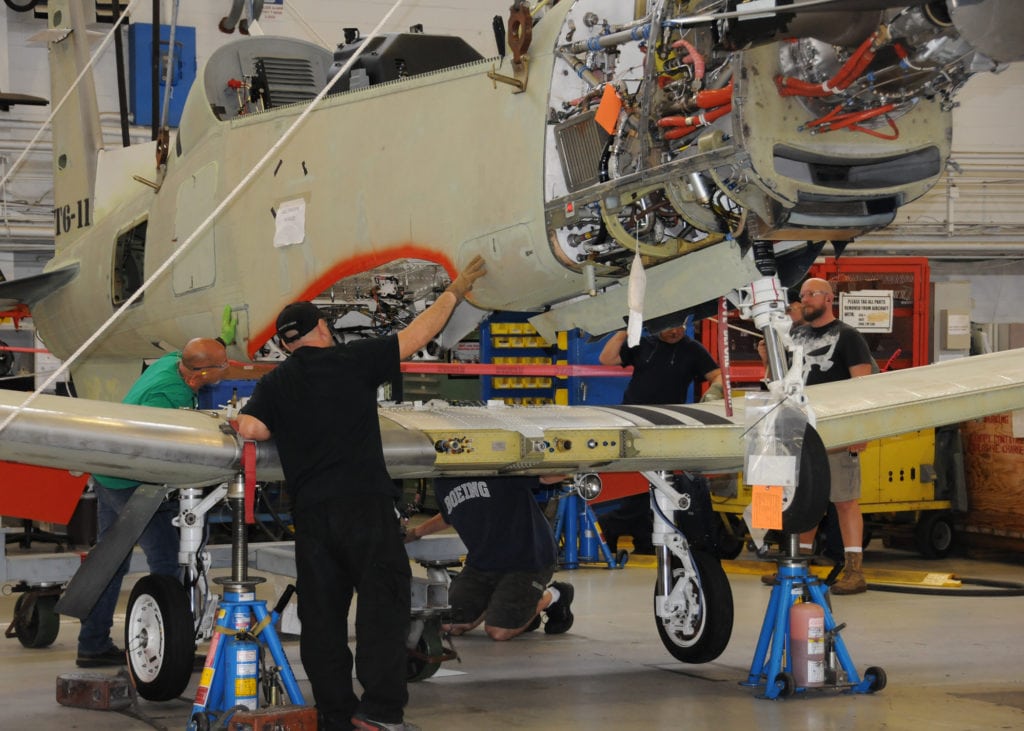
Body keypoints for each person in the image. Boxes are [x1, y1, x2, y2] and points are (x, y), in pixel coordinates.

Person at [235, 256, 486, 731]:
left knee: (323, 619)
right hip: (365, 508)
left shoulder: (275, 382)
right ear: (323, 329)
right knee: (381, 610)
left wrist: (239, 423)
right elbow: (417, 334)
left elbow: (253, 427)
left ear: (287, 344)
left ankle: (335, 714)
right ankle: (380, 713)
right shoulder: (353, 360)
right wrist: (454, 292)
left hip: (312, 515)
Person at [77, 338, 229, 667]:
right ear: (197, 376)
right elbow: (167, 454)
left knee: (111, 557)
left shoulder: (173, 360)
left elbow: (189, 352)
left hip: (107, 470)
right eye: (221, 366)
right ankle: (172, 646)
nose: (227, 369)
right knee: (167, 560)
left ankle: (91, 643)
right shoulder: (167, 397)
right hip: (128, 482)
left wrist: (222, 342)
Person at [597, 324, 722, 554]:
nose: (675, 332)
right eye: (668, 327)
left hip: (664, 425)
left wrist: (713, 393)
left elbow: (717, 375)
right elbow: (607, 358)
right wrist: (626, 328)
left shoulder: (692, 349)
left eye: (680, 327)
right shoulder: (643, 344)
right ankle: (630, 531)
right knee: (636, 481)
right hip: (632, 420)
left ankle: (622, 529)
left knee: (655, 482)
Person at [406, 475, 574, 641]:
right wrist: (415, 532)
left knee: (498, 631)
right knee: (449, 625)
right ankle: (516, 609)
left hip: (527, 560)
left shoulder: (494, 465)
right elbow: (448, 515)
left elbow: (546, 478)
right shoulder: (442, 480)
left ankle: (556, 594)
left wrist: (573, 463)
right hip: (482, 563)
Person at [790, 277, 874, 595]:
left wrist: (861, 429)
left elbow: (863, 384)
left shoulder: (848, 336)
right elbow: (786, 380)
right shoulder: (796, 336)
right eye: (802, 295)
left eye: (810, 294)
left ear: (828, 298)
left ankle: (855, 571)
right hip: (805, 432)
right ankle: (798, 566)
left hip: (839, 432)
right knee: (809, 502)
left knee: (845, 501)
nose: (804, 300)